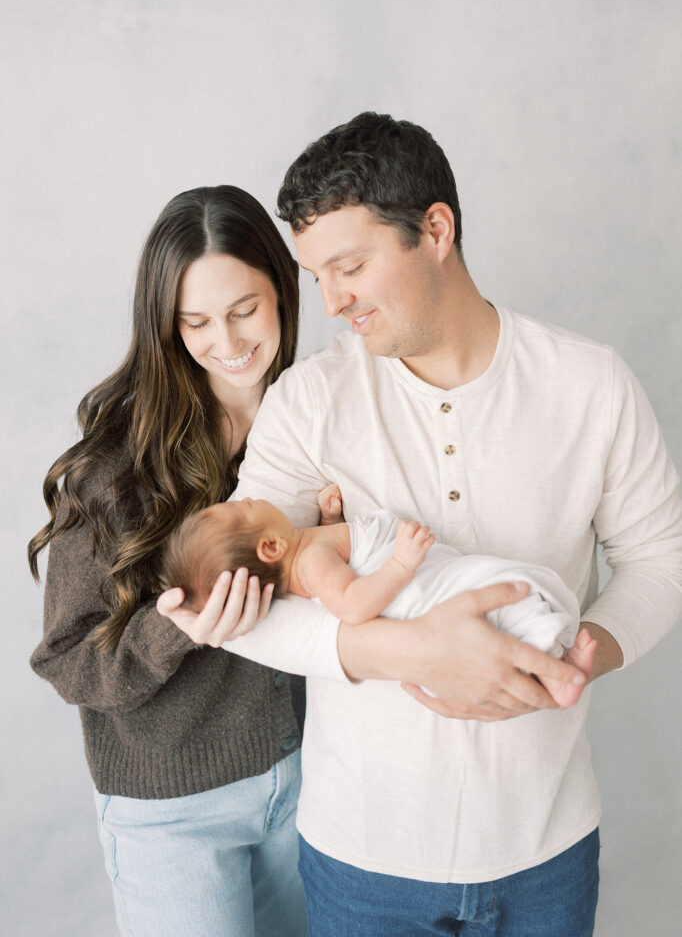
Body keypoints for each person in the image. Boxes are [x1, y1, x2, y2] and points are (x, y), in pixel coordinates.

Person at [159, 113, 682, 937]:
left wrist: (587, 652)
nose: (331, 302)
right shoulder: (309, 400)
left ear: (435, 229)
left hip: (545, 845)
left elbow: (660, 560)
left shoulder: (590, 385)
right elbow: (250, 609)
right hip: (362, 858)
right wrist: (418, 653)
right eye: (316, 274)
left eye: (350, 266)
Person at [28, 185, 308, 937]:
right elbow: (64, 661)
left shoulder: (318, 422)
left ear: (282, 288)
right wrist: (175, 629)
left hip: (312, 789)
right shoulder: (113, 468)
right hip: (173, 816)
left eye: (245, 308)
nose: (228, 341)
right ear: (166, 326)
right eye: (196, 322)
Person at [160, 491, 596, 707]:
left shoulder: (308, 552)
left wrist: (331, 518)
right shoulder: (311, 560)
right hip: (420, 592)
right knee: (500, 597)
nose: (248, 498)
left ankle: (553, 667)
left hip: (410, 594)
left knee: (499, 612)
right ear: (270, 548)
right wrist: (402, 563)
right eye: (243, 509)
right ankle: (555, 667)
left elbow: (343, 561)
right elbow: (351, 604)